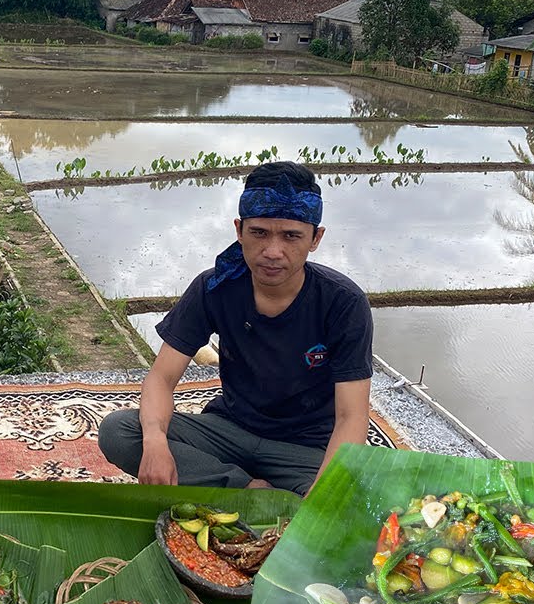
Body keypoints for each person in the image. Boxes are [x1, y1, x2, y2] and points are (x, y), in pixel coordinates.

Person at [97, 161, 373, 496]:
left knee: (356, 494)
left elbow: (351, 416)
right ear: (239, 230)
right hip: (229, 430)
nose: (273, 252)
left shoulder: (343, 302)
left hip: (304, 448)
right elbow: (161, 377)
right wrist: (155, 442)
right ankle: (247, 488)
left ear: (316, 238)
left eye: (291, 236)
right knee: (119, 431)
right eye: (259, 233)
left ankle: (232, 491)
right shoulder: (215, 287)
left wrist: (323, 493)